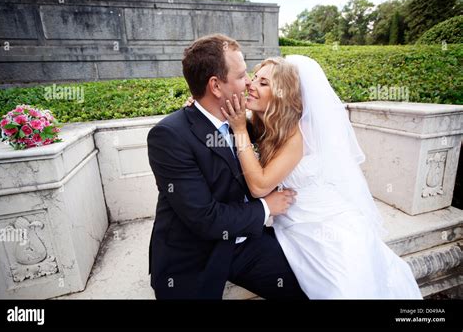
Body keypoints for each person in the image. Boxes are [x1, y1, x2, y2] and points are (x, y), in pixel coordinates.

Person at [216, 55, 422, 299]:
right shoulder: (264, 123)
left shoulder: (301, 133)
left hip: (324, 226)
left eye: (264, 83)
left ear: (282, 95)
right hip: (293, 225)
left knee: (342, 291)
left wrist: (239, 130)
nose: (251, 84)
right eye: (254, 78)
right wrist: (207, 107)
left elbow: (260, 185)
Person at [147, 34, 307, 299]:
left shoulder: (244, 123)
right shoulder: (169, 136)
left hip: (246, 242)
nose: (249, 83)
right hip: (195, 254)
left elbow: (277, 125)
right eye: (243, 75)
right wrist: (268, 206)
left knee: (305, 284)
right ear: (216, 86)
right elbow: (205, 218)